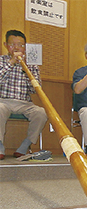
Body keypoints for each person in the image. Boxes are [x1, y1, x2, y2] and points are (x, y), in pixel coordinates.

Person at [0, 30, 47, 160]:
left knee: (41, 112)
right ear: (6, 45)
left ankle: (25, 145)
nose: (16, 48)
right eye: (12, 44)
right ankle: (0, 145)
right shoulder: (1, 61)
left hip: (25, 103)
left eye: (20, 45)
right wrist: (11, 63)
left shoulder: (31, 65)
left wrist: (26, 70)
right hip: (3, 101)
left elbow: (36, 90)